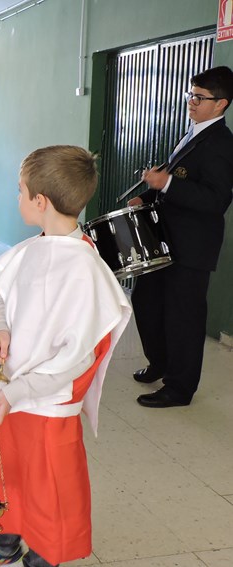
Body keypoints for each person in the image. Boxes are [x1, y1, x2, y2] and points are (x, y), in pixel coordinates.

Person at [0, 145, 132, 567]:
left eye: (20, 190)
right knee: (5, 469)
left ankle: (46, 555)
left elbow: (79, 357)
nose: (17, 197)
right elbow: (6, 299)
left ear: (40, 201)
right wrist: (1, 329)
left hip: (47, 401)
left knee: (49, 484)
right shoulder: (35, 247)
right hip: (10, 391)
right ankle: (4, 541)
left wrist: (21, 391)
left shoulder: (83, 268)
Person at [128, 66, 233, 408]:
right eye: (191, 94)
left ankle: (180, 388)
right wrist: (147, 195)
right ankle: (160, 362)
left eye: (199, 97)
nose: (191, 102)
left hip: (191, 246)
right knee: (146, 301)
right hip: (163, 239)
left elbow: (216, 200)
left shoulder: (221, 144)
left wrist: (168, 183)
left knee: (183, 317)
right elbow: (176, 180)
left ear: (221, 104)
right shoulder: (192, 133)